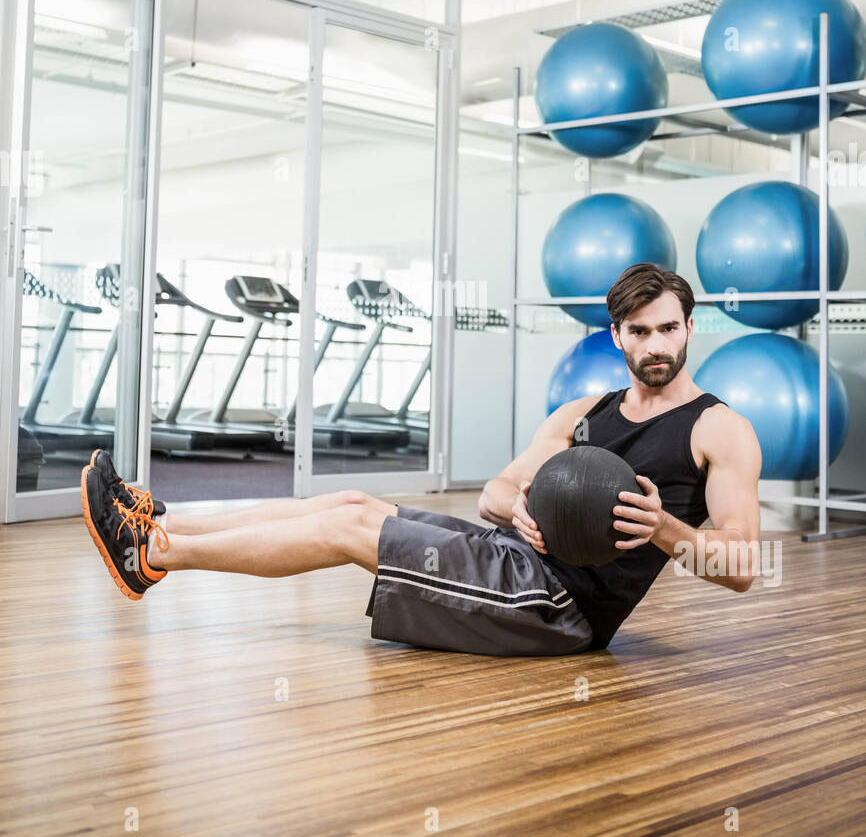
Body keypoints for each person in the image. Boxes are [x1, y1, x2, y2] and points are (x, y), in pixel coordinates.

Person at [81, 262, 762, 657]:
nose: (655, 345)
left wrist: (664, 529)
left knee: (347, 533)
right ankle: (155, 520)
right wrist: (520, 508)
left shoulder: (717, 430)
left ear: (689, 327)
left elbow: (742, 570)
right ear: (617, 336)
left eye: (668, 328)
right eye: (639, 332)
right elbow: (497, 491)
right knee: (350, 505)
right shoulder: (584, 413)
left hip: (559, 607)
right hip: (515, 556)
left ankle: (152, 558)